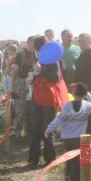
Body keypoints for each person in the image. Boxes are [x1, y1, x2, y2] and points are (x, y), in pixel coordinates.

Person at [44, 83, 91, 181]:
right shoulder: (87, 106)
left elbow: (59, 119)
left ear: (73, 93)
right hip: (78, 138)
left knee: (69, 157)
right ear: (84, 94)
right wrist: (89, 95)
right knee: (76, 163)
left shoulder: (67, 106)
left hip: (66, 138)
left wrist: (49, 129)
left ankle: (67, 175)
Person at [28, 36, 64, 167]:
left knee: (47, 130)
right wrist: (33, 78)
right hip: (37, 97)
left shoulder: (53, 60)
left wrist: (40, 71)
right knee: (34, 129)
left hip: (48, 100)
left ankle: (50, 159)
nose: (36, 51)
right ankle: (33, 159)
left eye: (37, 48)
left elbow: (55, 77)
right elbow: (40, 77)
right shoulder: (39, 58)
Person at [74, 33, 91, 139]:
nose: (81, 43)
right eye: (79, 41)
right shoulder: (82, 54)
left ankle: (89, 143)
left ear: (90, 42)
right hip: (81, 91)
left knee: (90, 119)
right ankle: (84, 142)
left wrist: (86, 92)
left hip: (90, 91)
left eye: (83, 40)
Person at [13, 36, 36, 137]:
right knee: (20, 108)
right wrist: (13, 85)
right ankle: (17, 131)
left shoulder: (37, 53)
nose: (34, 45)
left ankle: (28, 131)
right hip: (22, 82)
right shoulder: (20, 54)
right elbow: (15, 70)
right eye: (33, 43)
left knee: (31, 108)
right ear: (28, 43)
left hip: (34, 83)